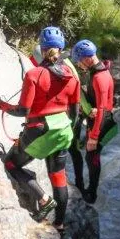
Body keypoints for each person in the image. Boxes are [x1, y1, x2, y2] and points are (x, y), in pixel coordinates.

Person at [0, 26, 79, 232]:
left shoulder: (34, 74)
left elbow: (23, 110)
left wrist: (1, 105)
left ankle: (43, 198)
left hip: (39, 130)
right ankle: (59, 223)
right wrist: (69, 133)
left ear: (41, 47)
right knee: (58, 176)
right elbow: (75, 112)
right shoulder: (72, 75)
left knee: (12, 164)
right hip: (63, 130)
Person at [29, 44, 92, 193]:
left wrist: (87, 112)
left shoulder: (64, 68)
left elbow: (76, 89)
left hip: (69, 113)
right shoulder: (62, 60)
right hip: (66, 113)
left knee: (72, 150)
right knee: (69, 150)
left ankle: (78, 184)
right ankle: (74, 183)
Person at [71, 39, 117, 204]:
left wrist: (94, 137)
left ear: (88, 58)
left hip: (101, 122)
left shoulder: (100, 77)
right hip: (98, 119)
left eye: (79, 61)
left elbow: (103, 109)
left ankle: (92, 193)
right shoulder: (99, 72)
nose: (79, 64)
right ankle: (89, 190)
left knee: (92, 156)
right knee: (91, 156)